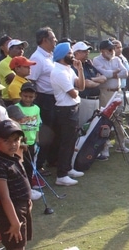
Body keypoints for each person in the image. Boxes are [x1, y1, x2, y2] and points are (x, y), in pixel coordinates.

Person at [50, 42, 85, 186]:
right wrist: (77, 91)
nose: (72, 55)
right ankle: (61, 175)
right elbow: (73, 93)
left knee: (71, 141)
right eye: (70, 53)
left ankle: (68, 168)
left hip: (72, 108)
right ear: (63, 55)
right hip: (65, 111)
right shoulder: (58, 72)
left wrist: (80, 70)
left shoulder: (69, 69)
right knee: (66, 143)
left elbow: (81, 86)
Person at [0, 119, 33, 249]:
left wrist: (28, 201)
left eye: (16, 139)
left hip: (21, 209)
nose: (13, 144)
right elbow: (4, 197)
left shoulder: (13, 158)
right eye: (6, 140)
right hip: (11, 213)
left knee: (20, 245)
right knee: (15, 246)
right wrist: (14, 222)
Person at [93, 40, 129, 155]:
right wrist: (113, 73)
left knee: (119, 119)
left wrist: (110, 74)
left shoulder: (117, 59)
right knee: (105, 119)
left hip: (117, 92)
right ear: (102, 51)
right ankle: (105, 146)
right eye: (109, 49)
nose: (112, 51)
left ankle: (121, 144)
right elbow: (102, 73)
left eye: (113, 49)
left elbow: (126, 73)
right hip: (105, 92)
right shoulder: (97, 60)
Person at [29, 27, 57, 177]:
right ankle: (39, 166)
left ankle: (51, 160)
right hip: (44, 99)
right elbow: (31, 81)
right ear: (44, 40)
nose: (55, 41)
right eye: (53, 39)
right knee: (45, 133)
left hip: (53, 98)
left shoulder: (50, 56)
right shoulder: (37, 58)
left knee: (53, 130)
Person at [14, 82, 43, 193]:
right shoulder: (16, 108)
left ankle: (29, 188)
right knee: (20, 166)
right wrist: (20, 140)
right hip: (20, 143)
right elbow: (14, 125)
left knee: (30, 166)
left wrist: (37, 138)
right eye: (25, 96)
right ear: (21, 95)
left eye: (31, 97)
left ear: (35, 96)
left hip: (31, 142)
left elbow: (37, 126)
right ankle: (22, 189)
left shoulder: (36, 108)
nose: (28, 99)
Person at [72, 41, 106, 128]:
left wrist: (92, 80)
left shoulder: (88, 64)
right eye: (84, 51)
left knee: (94, 126)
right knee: (84, 125)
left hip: (96, 100)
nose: (87, 53)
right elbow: (86, 84)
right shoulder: (74, 66)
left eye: (87, 51)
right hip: (85, 100)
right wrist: (96, 81)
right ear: (76, 53)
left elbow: (103, 78)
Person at [0, 39, 28, 106]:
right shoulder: (4, 63)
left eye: (22, 49)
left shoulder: (24, 61)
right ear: (10, 49)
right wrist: (24, 78)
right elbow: (14, 80)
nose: (21, 51)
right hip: (9, 100)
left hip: (24, 97)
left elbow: (21, 80)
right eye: (18, 48)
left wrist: (21, 78)